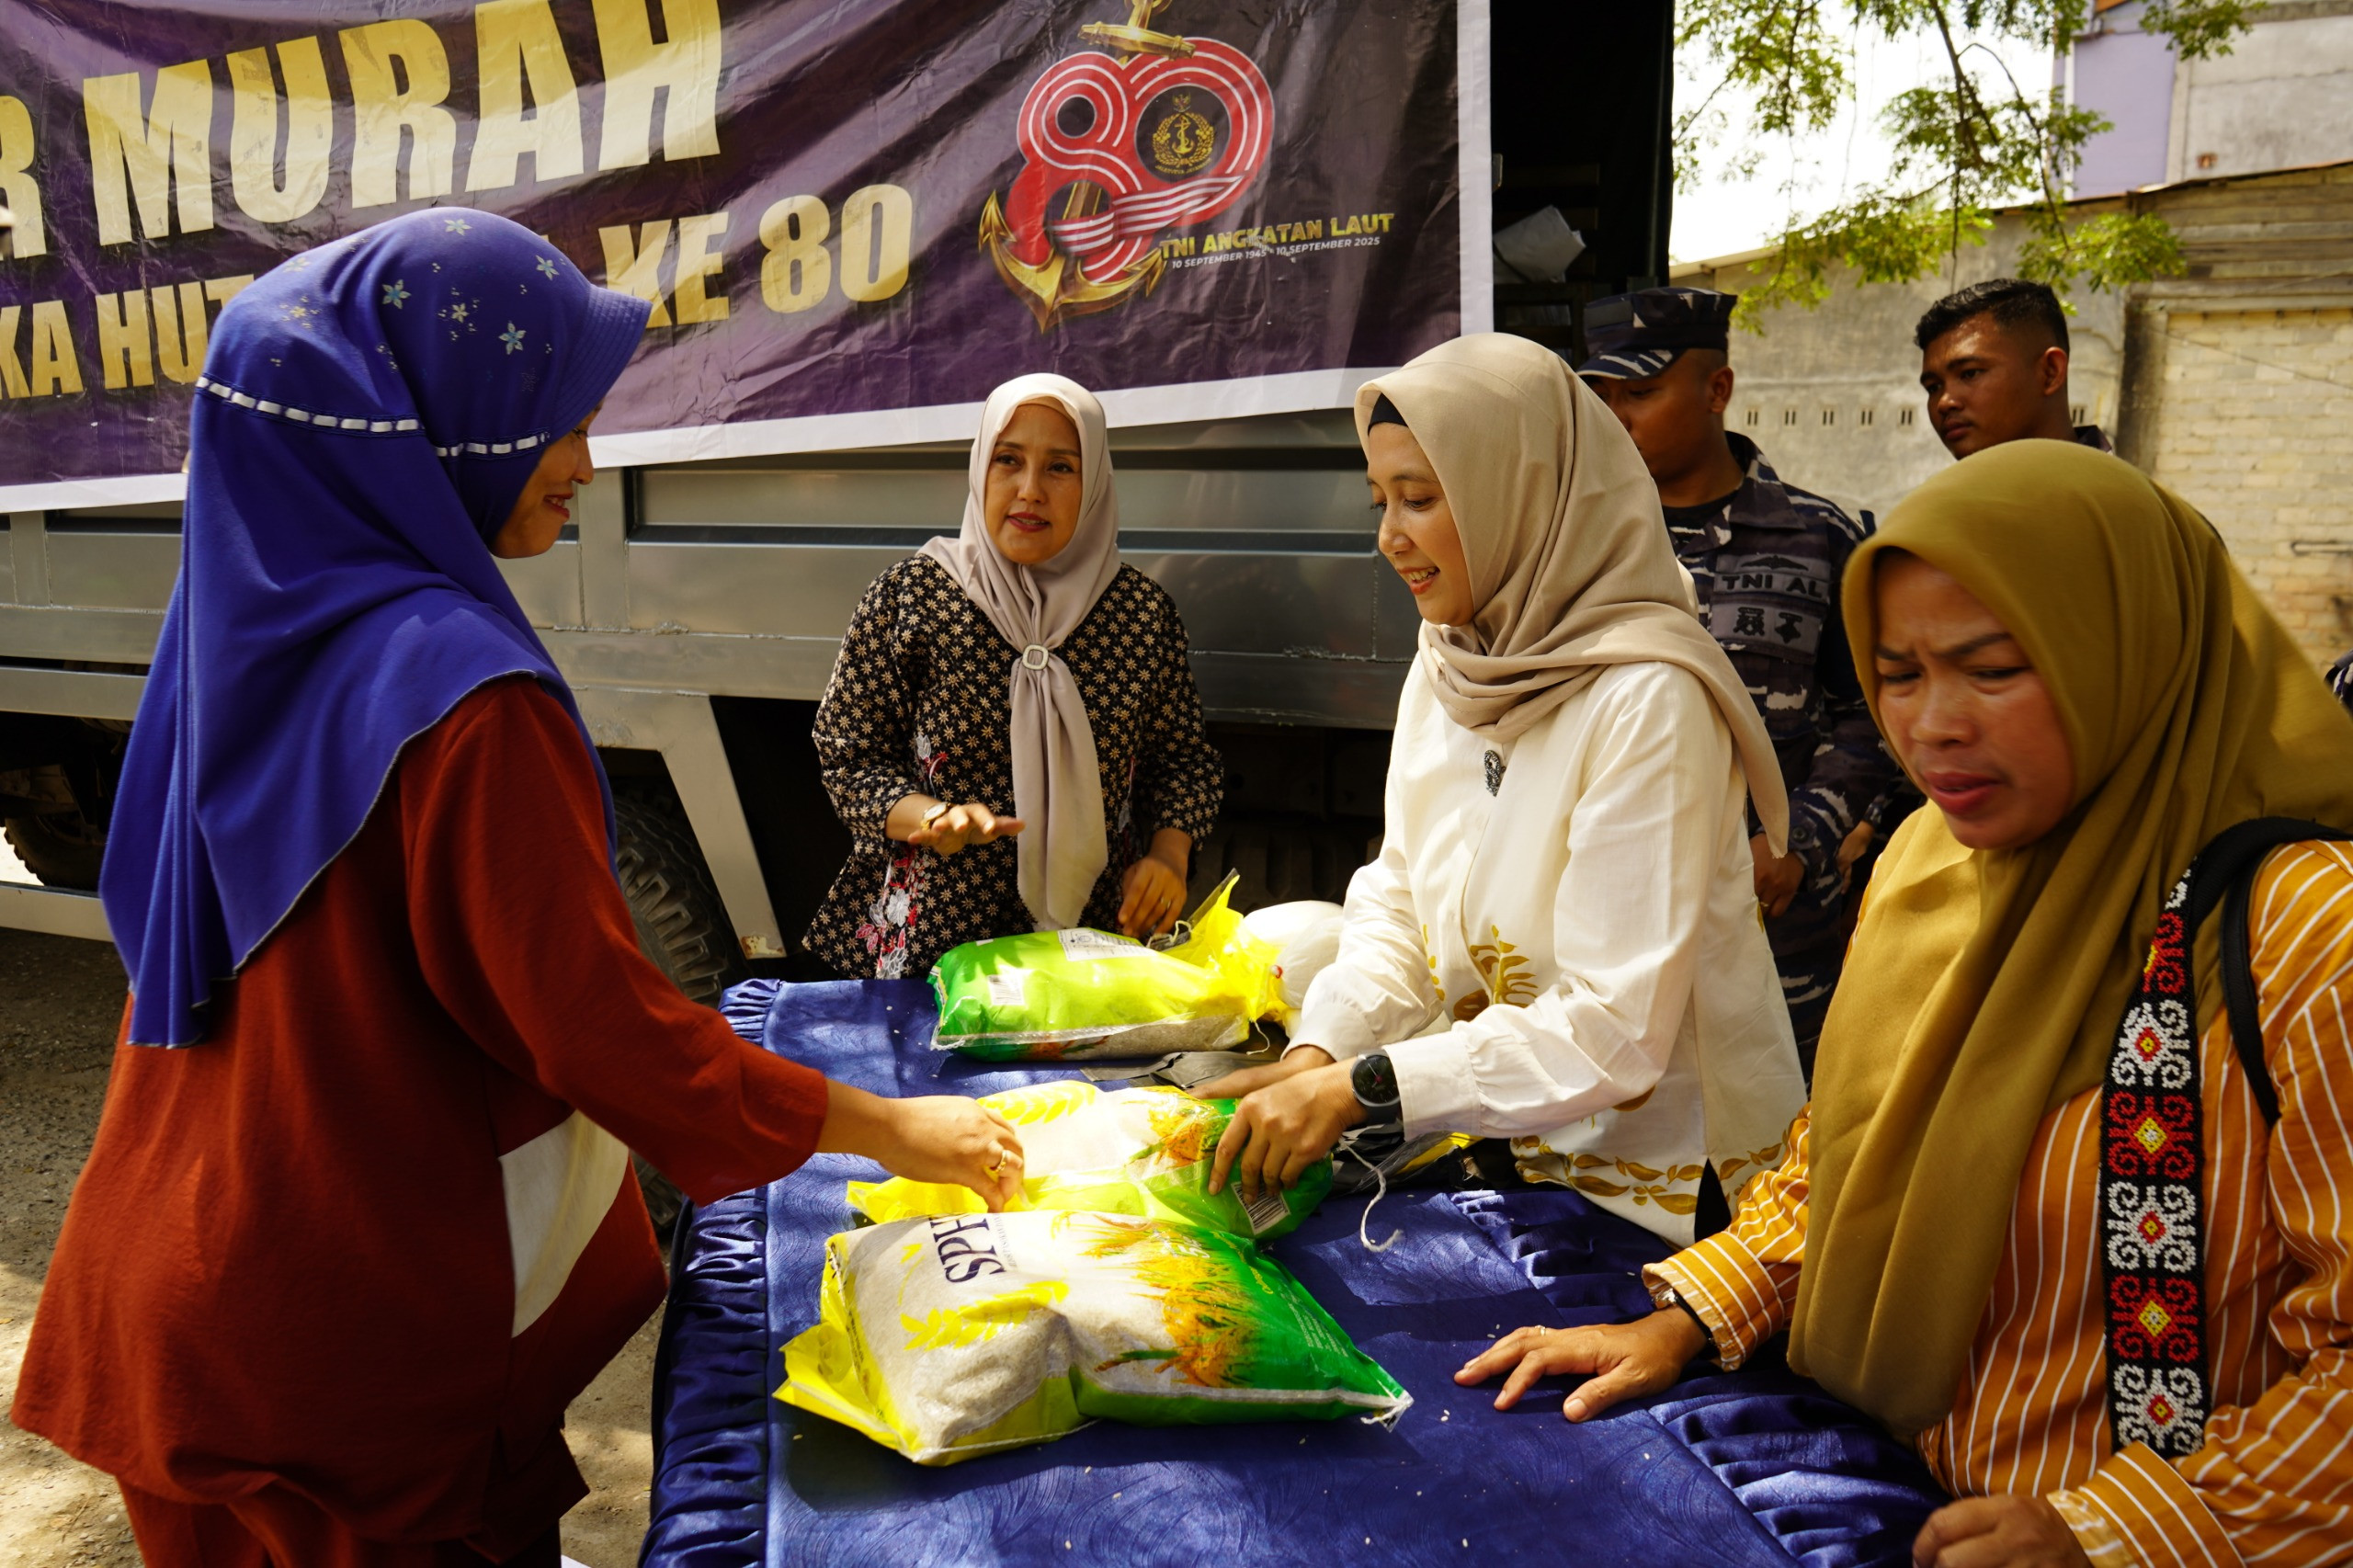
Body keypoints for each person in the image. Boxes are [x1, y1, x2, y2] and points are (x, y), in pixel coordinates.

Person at [10, 211, 1023, 1568]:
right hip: (348, 1358)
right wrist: (892, 1128)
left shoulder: (241, 647)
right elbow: (599, 1027)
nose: (588, 467)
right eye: (561, 425)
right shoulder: (466, 698)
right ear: (440, 431)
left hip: (171, 1298)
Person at [1459, 439, 2353, 1567]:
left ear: (2131, 654)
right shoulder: (1930, 867)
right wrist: (1685, 1318)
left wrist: (2113, 1532)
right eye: (1898, 673)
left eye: (1993, 669)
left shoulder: (2304, 929)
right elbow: (1845, 1155)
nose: (1931, 725)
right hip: (1894, 1497)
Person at [1198, 334, 1807, 1244]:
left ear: (1518, 495)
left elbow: (1614, 1026)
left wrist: (1364, 1087)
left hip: (1665, 1186)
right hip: (1512, 1150)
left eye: (1419, 498)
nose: (1389, 536)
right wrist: (1322, 1047)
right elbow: (1401, 896)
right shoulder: (1453, 657)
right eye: (1379, 500)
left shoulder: (1648, 695)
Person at [1578, 286, 1906, 1074]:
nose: (1617, 418)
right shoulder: (1576, 543)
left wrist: (1797, 840)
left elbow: (1874, 714)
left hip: (1773, 938)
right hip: (1608, 928)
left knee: (1777, 1132)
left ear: (1717, 388)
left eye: (1641, 393)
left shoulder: (1821, 537)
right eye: (1603, 397)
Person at [804, 374, 1222, 978]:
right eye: (1008, 460)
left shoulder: (1140, 615)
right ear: (981, 468)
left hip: (1090, 948)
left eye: (1060, 468)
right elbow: (849, 756)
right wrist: (929, 816)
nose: (1030, 490)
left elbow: (1182, 762)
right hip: (937, 949)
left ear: (1095, 483)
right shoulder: (910, 598)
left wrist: (1168, 857)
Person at [1915, 278, 2111, 459]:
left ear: (2050, 372)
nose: (1943, 403)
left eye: (1970, 373)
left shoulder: (2117, 484)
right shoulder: (1954, 487)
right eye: (1933, 387)